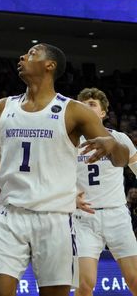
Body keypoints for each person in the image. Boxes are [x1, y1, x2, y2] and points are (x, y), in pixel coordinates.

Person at [0, 44, 130, 296]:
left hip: (55, 218)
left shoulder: (74, 111)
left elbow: (121, 159)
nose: (22, 57)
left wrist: (114, 143)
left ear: (50, 65)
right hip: (10, 214)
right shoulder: (3, 107)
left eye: (32, 53)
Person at [74, 87, 137, 296]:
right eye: (82, 105)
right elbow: (53, 176)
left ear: (103, 113)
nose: (86, 108)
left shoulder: (120, 138)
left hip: (116, 214)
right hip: (84, 218)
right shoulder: (69, 142)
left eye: (92, 104)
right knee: (85, 283)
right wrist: (69, 195)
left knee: (134, 278)